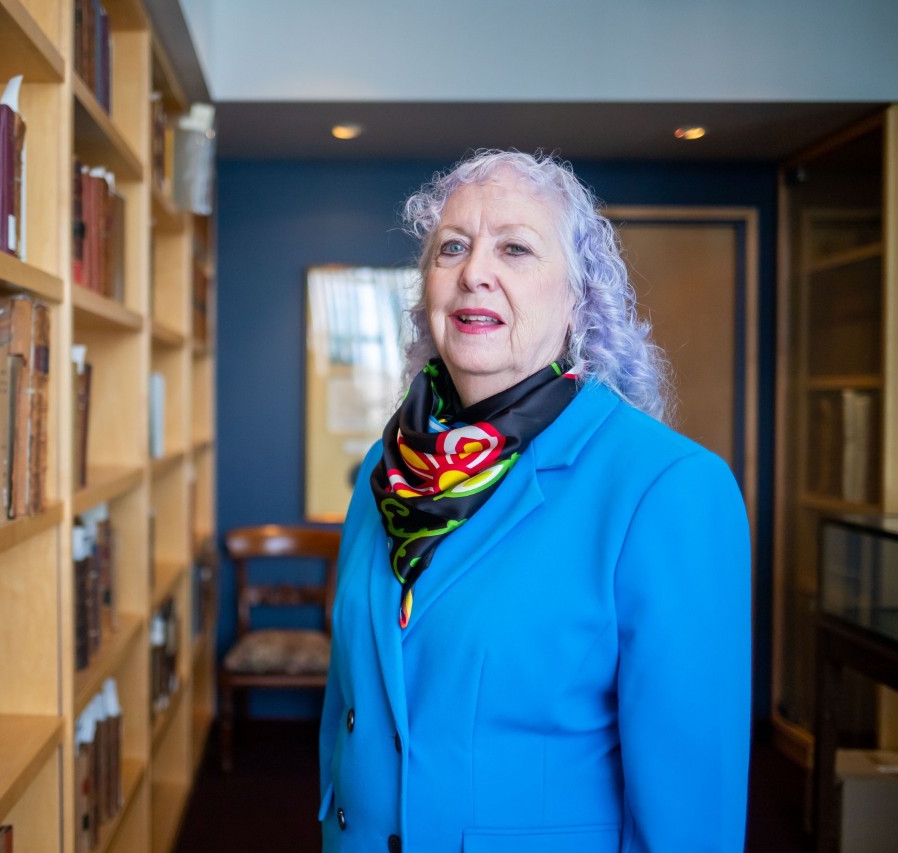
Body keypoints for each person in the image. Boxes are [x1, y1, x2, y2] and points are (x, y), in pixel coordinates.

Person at [318, 149, 751, 852]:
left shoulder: (668, 488)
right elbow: (352, 709)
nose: (473, 272)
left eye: (514, 248)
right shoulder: (386, 467)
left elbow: (690, 811)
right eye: (451, 247)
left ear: (581, 298)